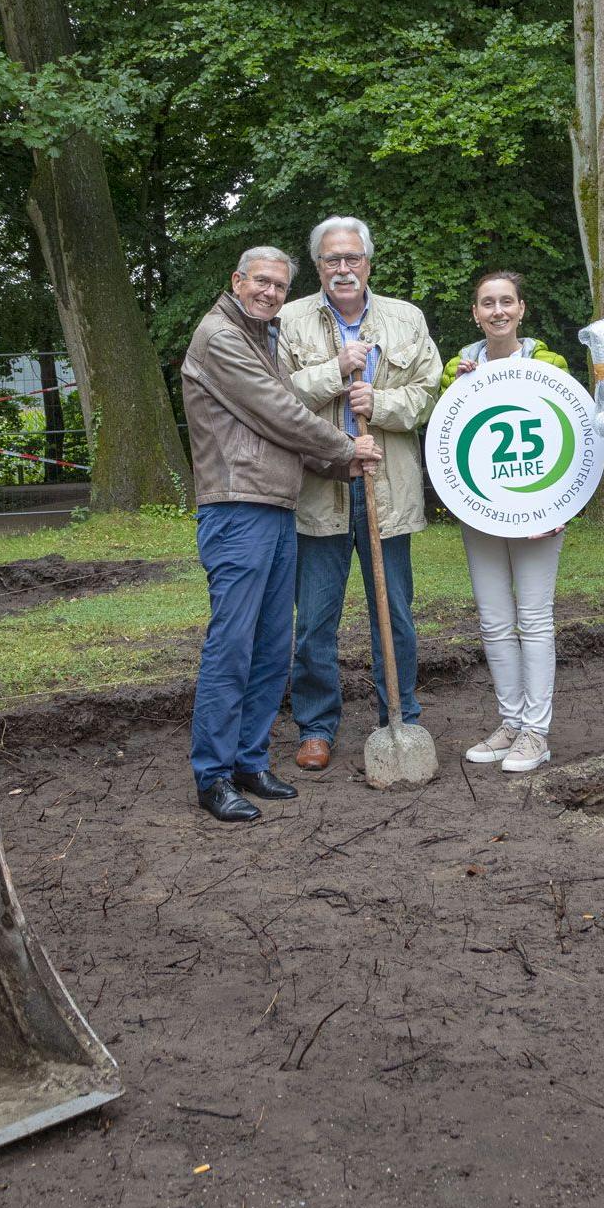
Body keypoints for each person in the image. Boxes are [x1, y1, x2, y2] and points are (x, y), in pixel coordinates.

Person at [179, 246, 382, 821]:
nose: (269, 292)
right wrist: (346, 447)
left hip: (275, 506)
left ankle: (249, 759)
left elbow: (280, 429)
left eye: (278, 285)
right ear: (236, 281)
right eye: (260, 282)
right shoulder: (219, 337)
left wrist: (337, 467)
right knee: (233, 646)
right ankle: (213, 777)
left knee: (271, 648)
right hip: (235, 507)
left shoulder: (262, 338)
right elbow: (278, 411)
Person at [279, 217, 442, 771]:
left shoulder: (406, 319)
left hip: (386, 490)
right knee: (315, 621)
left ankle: (400, 716)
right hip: (318, 490)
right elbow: (273, 397)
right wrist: (334, 371)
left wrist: (383, 404)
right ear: (319, 266)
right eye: (331, 260)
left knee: (393, 614)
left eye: (352, 258)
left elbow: (426, 392)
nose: (342, 269)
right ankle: (316, 727)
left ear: (368, 262)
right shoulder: (289, 319)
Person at [439, 271, 570, 772]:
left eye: (506, 302)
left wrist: (560, 506)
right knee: (494, 622)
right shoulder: (459, 367)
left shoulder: (548, 363)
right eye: (487, 303)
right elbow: (447, 436)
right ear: (475, 313)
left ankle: (536, 733)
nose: (497, 311)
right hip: (482, 513)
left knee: (535, 620)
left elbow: (571, 435)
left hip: (540, 515)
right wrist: (461, 385)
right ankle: (510, 723)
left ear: (521, 309)